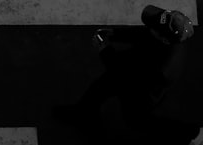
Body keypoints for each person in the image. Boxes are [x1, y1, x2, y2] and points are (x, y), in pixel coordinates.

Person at [57, 5, 194, 132]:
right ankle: (84, 113)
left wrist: (104, 49)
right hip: (141, 74)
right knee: (103, 85)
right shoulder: (169, 38)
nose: (150, 28)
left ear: (163, 39)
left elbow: (122, 74)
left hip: (141, 91)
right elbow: (145, 34)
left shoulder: (158, 65)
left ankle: (183, 133)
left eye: (154, 28)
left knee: (136, 121)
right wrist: (115, 33)